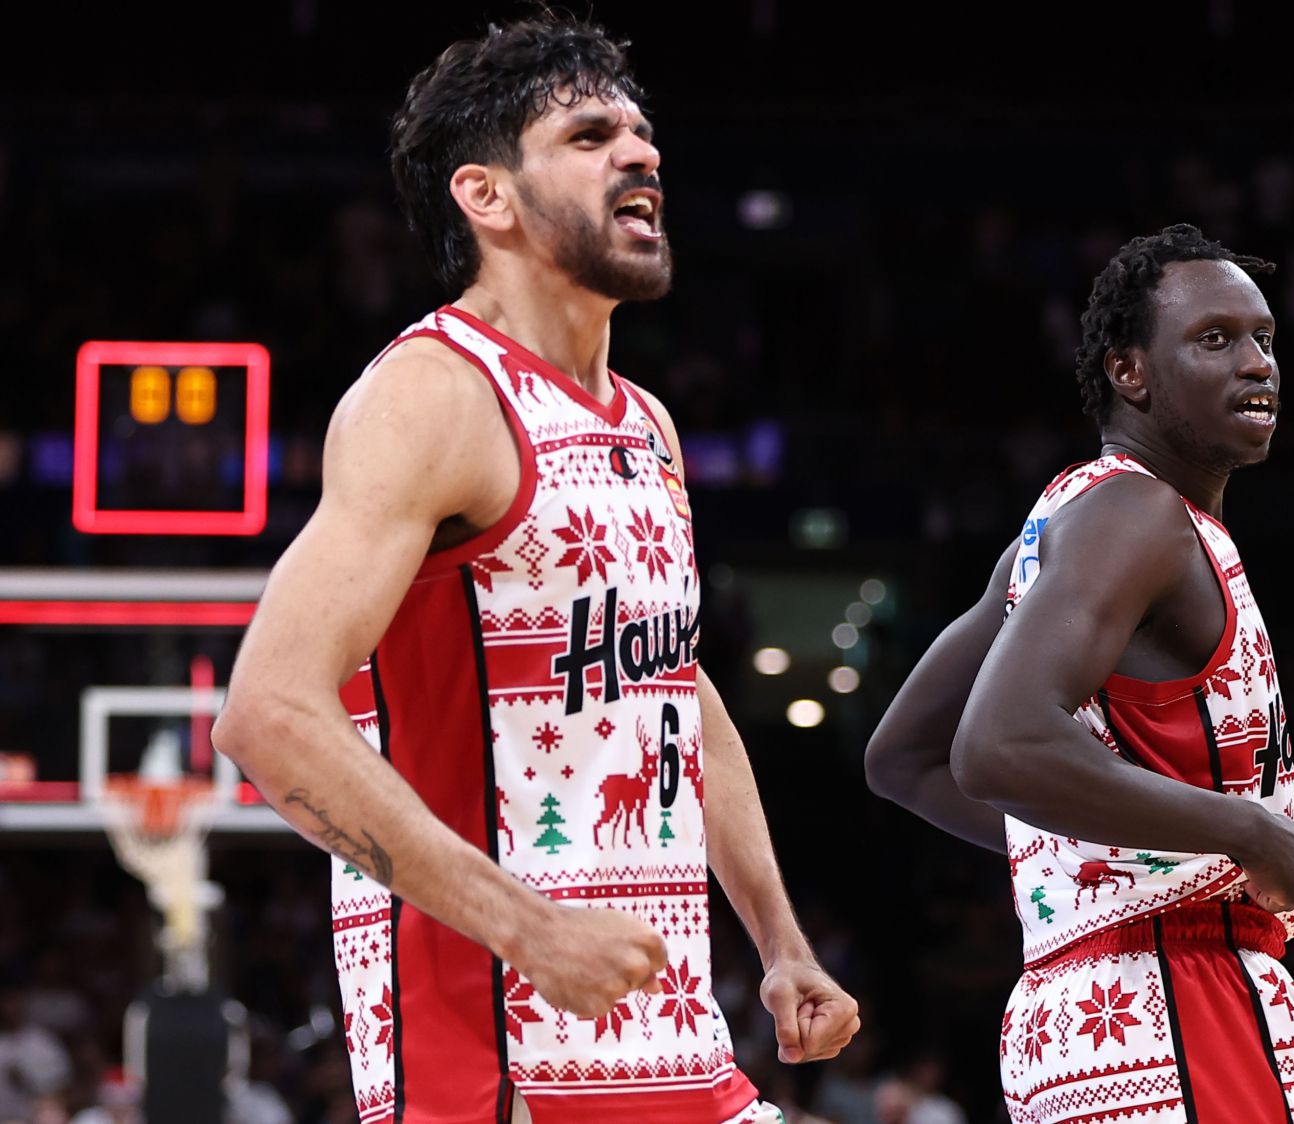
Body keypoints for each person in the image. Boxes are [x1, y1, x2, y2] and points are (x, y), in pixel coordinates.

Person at [211, 12, 857, 1122]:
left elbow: (672, 690)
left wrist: (780, 940)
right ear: (487, 196)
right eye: (590, 136)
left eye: (640, 133)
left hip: (671, 1038)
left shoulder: (645, 422)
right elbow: (266, 714)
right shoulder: (432, 395)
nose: (640, 153)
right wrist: (529, 929)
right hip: (495, 1058)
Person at [865, 224, 1294, 1122]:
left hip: (1083, 1016)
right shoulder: (1137, 515)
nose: (1257, 363)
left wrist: (1095, 858)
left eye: (1264, 338)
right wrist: (1247, 832)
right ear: (1129, 371)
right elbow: (996, 745)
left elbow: (903, 757)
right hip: (1176, 996)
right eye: (1214, 339)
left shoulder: (1055, 529)